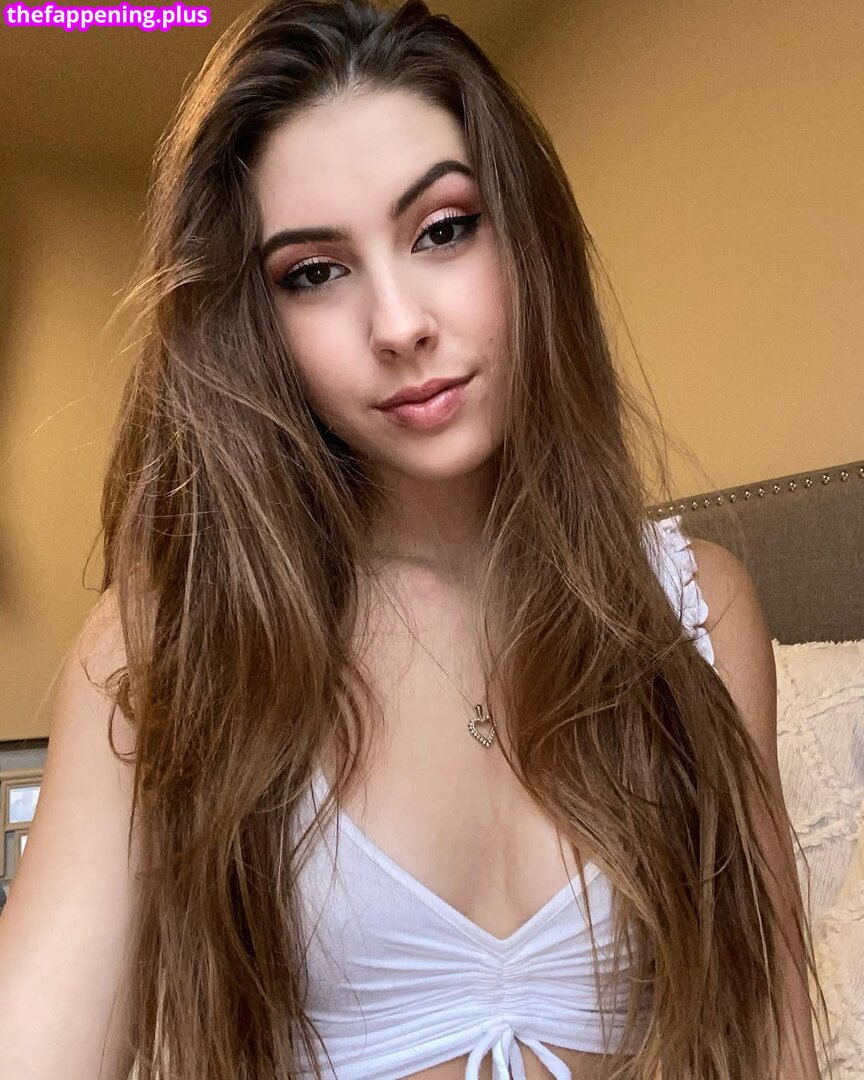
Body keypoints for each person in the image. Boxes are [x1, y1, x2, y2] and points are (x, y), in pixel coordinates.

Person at [0, 1, 831, 1078]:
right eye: (315, 272)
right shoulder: (171, 647)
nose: (398, 325)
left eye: (442, 229)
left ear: (525, 237)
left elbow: (772, 1044)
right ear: (257, 325)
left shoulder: (695, 613)